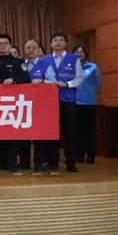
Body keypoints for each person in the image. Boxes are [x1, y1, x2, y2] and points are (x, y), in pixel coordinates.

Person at [40, 33, 83, 172]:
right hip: (50, 101)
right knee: (52, 132)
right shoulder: (45, 59)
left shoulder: (73, 58)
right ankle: (52, 162)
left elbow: (79, 78)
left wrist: (67, 84)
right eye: (55, 40)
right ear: (51, 43)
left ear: (66, 43)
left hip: (68, 100)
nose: (58, 43)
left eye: (61, 40)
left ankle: (71, 162)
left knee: (70, 132)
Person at [0, 33, 30, 172]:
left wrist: (13, 80)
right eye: (0, 43)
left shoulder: (18, 62)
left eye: (5, 43)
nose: (2, 46)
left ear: (10, 45)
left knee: (12, 133)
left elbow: (25, 77)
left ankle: (11, 161)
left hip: (12, 103)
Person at [23, 39, 57, 173]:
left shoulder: (46, 65)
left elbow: (53, 81)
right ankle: (24, 162)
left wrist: (42, 81)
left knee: (40, 135)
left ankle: (38, 162)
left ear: (39, 50)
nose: (31, 50)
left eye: (34, 48)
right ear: (24, 50)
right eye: (28, 48)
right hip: (23, 104)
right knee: (23, 135)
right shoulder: (21, 65)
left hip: (41, 105)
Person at [73, 45, 102, 164]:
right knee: (77, 131)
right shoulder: (71, 68)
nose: (79, 54)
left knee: (90, 130)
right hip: (74, 103)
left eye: (82, 52)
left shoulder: (93, 67)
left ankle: (91, 155)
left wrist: (90, 92)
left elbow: (98, 83)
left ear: (85, 54)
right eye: (77, 52)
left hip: (89, 103)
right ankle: (79, 155)